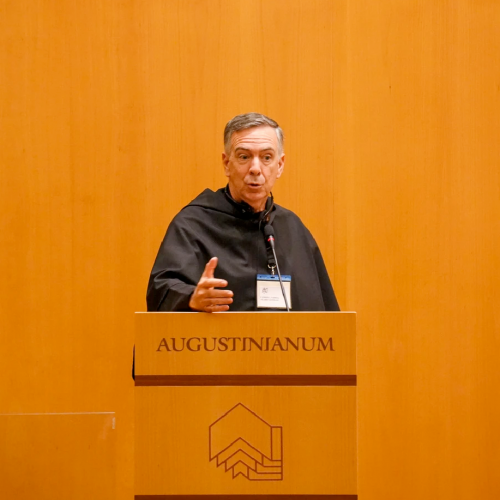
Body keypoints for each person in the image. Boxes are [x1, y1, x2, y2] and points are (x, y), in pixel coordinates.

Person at [147, 113, 340, 312]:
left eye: (266, 157)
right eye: (244, 157)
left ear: (280, 165)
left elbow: (325, 314)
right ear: (226, 163)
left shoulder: (293, 228)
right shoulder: (192, 225)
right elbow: (161, 290)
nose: (255, 168)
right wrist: (191, 298)